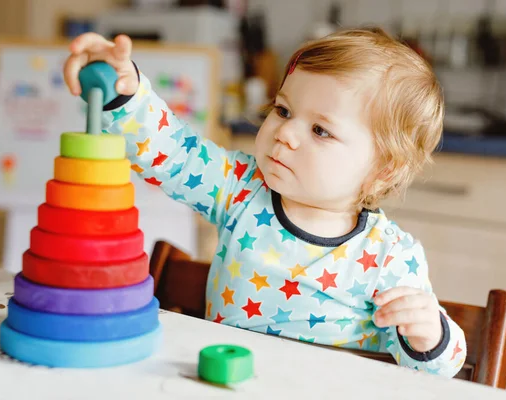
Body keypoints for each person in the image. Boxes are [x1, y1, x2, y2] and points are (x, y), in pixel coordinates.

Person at [63, 28, 466, 377]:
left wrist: (431, 335)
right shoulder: (241, 191)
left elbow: (433, 372)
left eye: (321, 130)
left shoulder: (392, 257)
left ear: (384, 170)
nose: (285, 132)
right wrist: (127, 91)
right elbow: (173, 153)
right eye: (283, 109)